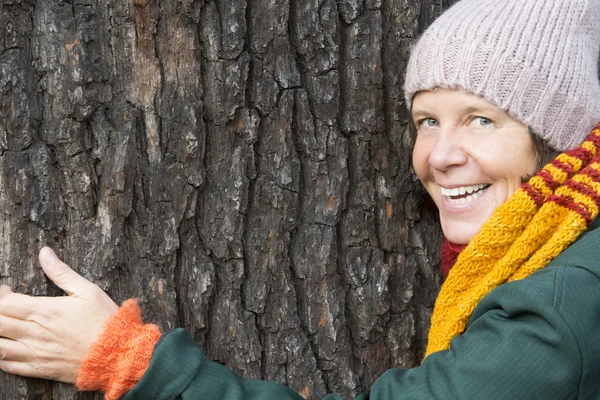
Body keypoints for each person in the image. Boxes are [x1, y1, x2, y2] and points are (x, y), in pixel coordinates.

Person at [1, 0, 600, 398]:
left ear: (557, 141)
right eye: (426, 121)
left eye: (481, 121)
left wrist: (134, 364)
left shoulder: (561, 308)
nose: (439, 155)